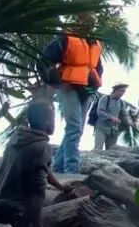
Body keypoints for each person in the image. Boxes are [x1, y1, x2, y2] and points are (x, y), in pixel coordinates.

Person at [0, 101, 72, 227]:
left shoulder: (19, 138)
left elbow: (43, 169)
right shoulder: (42, 146)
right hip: (15, 215)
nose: (55, 122)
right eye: (53, 118)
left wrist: (60, 187)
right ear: (48, 122)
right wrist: (36, 226)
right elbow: (37, 190)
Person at [44, 12, 103, 173]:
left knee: (77, 130)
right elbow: (46, 61)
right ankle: (72, 171)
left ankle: (57, 167)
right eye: (86, 20)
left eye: (91, 22)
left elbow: (98, 68)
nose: (89, 24)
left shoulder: (94, 42)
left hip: (86, 90)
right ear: (78, 20)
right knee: (74, 128)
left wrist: (94, 86)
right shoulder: (65, 38)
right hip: (68, 87)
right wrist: (58, 82)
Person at [93, 83, 130, 150]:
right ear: (115, 90)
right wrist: (111, 118)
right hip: (101, 128)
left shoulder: (121, 102)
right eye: (121, 91)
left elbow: (124, 115)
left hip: (113, 130)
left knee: (112, 150)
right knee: (98, 149)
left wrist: (128, 122)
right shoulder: (105, 98)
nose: (123, 93)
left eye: (124, 91)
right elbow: (100, 112)